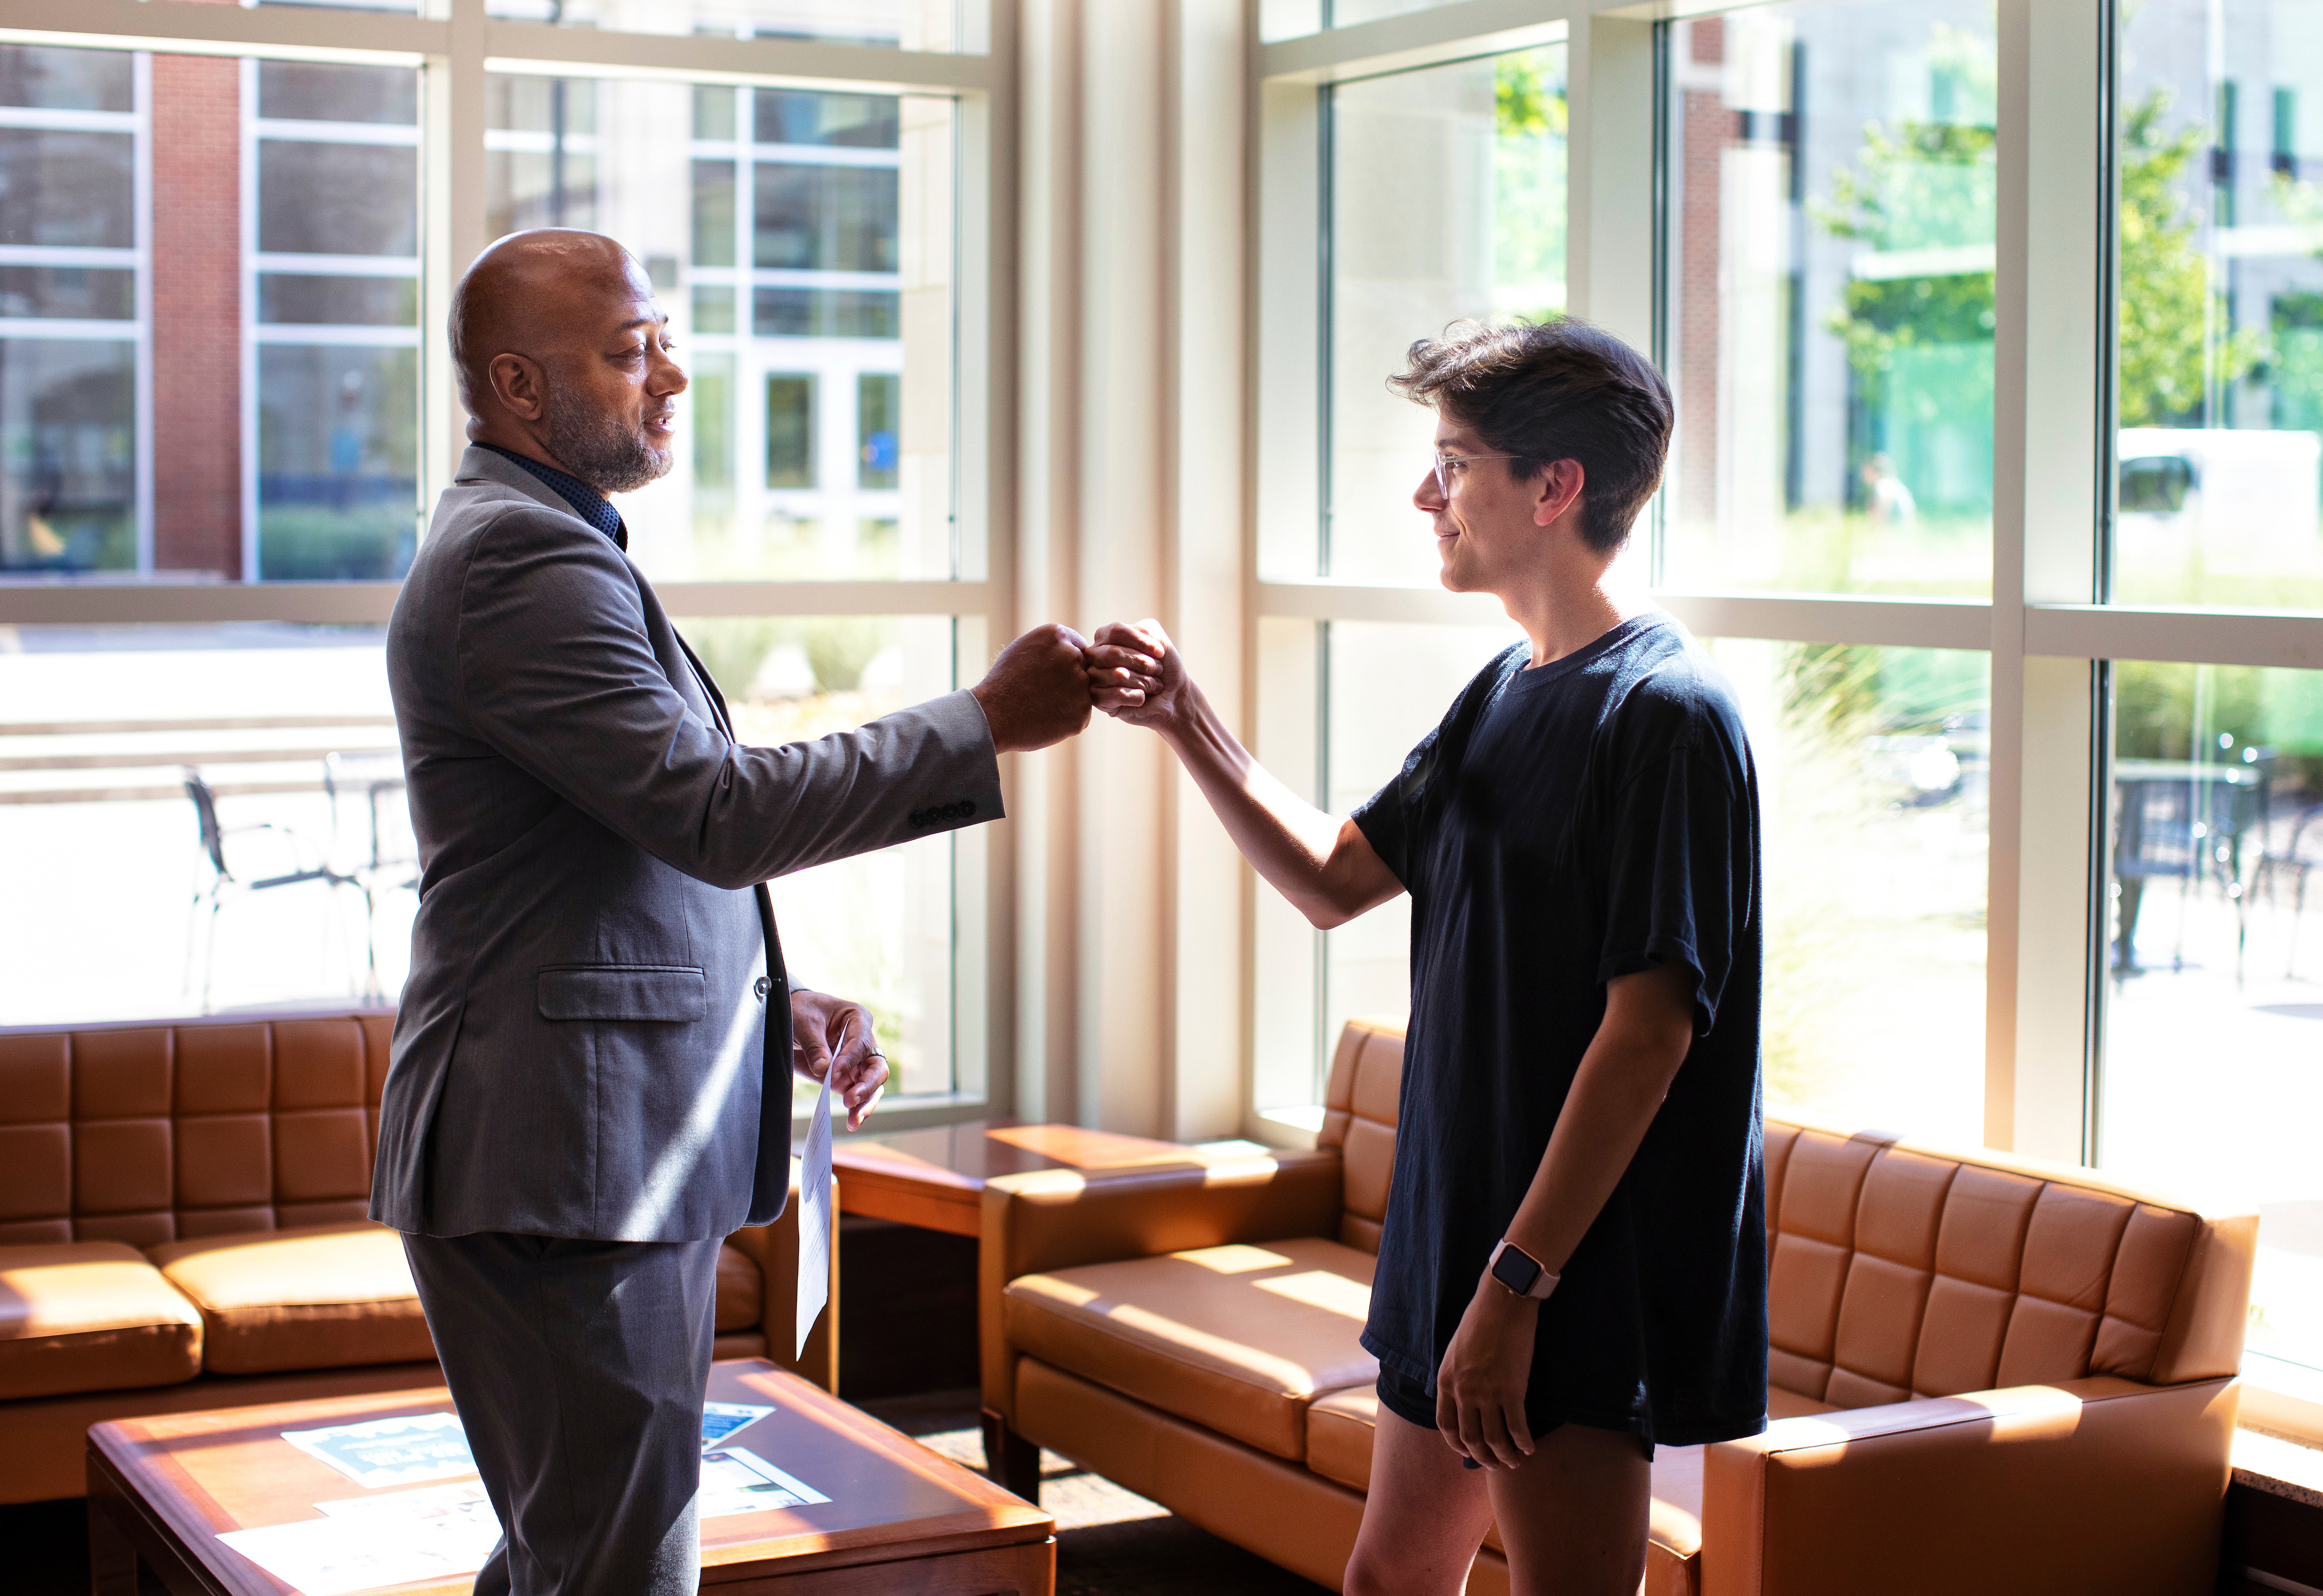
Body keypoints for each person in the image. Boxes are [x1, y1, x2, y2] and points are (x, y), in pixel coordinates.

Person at [371, 228, 1092, 1596]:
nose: (673, 376)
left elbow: (611, 849)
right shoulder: (523, 561)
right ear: (520, 387)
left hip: (582, 1152)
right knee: (615, 1570)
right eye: (632, 350)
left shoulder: (542, 539)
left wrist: (770, 996)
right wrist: (981, 724)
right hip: (566, 1171)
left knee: (571, 1558)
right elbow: (717, 811)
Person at [1086, 318, 1766, 1596]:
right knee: (1392, 1578)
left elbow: (1650, 1036)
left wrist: (1517, 1284)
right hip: (1459, 1242)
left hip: (1557, 1268)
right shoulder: (1506, 691)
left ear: (1552, 489)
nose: (1425, 493)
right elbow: (1337, 878)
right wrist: (1186, 718)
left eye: (1453, 464)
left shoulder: (1666, 717)